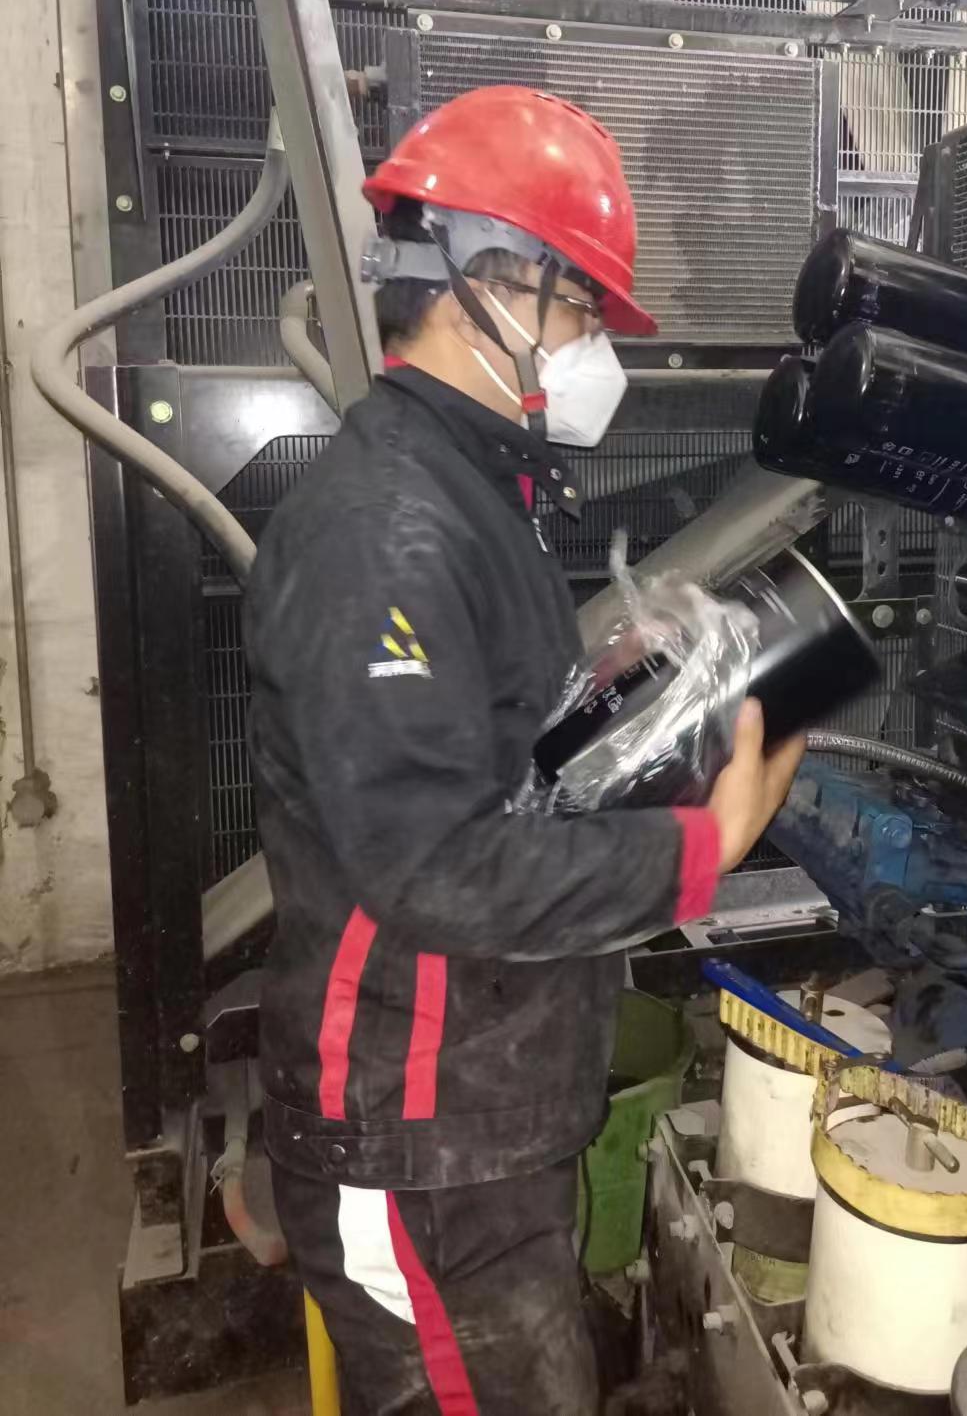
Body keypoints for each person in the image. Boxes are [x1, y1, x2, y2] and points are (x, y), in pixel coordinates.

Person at [245, 84, 805, 1416]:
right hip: (415, 1139)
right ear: (486, 283)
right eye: (583, 308)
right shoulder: (386, 529)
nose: (593, 345)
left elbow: (505, 764)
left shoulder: (465, 491)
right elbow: (434, 863)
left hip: (474, 1115)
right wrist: (704, 845)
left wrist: (651, 703)